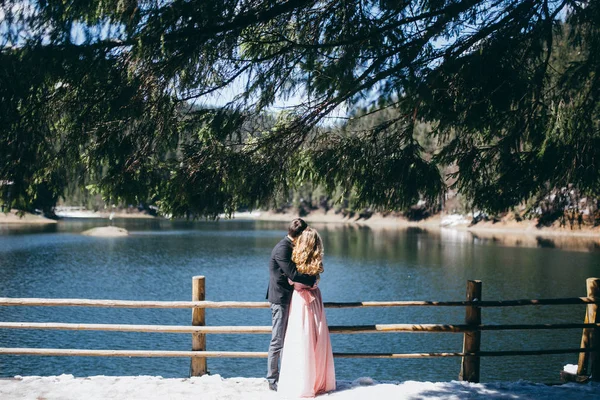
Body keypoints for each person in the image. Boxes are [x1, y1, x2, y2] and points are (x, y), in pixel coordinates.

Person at [277, 227, 336, 398]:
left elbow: (292, 279)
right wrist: (311, 283)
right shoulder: (316, 262)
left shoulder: (295, 260)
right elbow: (314, 280)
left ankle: (301, 381)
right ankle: (318, 380)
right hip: (314, 300)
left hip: (300, 301)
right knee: (316, 338)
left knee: (301, 339)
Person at [266, 218, 317, 391]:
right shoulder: (283, 249)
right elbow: (293, 274)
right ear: (300, 235)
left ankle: (287, 375)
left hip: (289, 298)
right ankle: (272, 380)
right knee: (277, 340)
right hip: (280, 299)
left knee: (288, 339)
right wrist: (312, 280)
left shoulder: (290, 246)